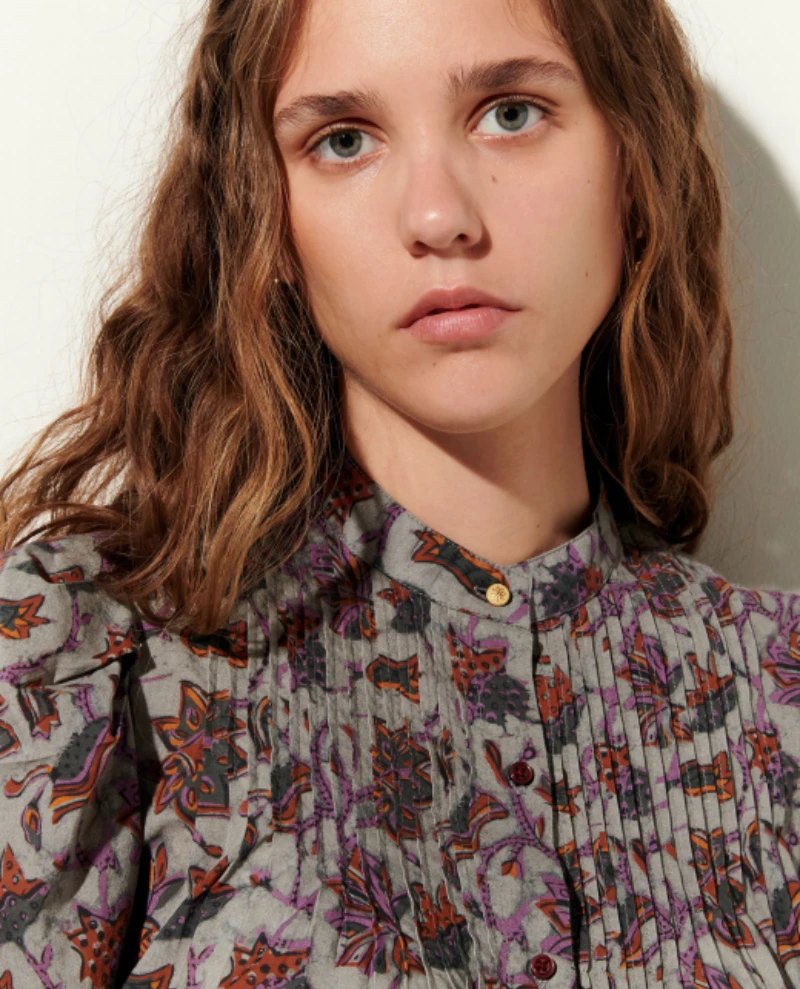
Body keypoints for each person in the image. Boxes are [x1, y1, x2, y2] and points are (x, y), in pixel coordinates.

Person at [0, 0, 797, 985]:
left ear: (635, 161)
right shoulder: (94, 661)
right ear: (265, 216)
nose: (438, 217)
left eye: (509, 113)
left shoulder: (778, 688)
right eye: (344, 140)